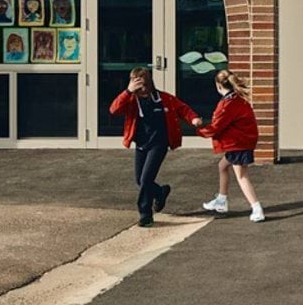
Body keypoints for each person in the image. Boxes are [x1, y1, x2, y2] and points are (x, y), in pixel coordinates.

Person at [108, 67, 202, 227]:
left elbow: (182, 108)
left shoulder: (163, 98)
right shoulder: (131, 100)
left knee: (146, 179)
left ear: (149, 83)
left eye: (143, 86)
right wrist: (128, 92)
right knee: (140, 180)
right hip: (142, 144)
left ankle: (145, 215)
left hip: (159, 144)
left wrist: (193, 119)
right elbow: (114, 109)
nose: (141, 90)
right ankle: (160, 192)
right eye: (137, 86)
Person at [199, 69, 265, 222]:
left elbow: (216, 126)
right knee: (222, 166)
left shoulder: (227, 104)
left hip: (238, 144)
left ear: (218, 85)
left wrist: (199, 129)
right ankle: (221, 200)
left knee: (242, 176)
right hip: (242, 141)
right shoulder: (238, 99)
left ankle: (256, 207)